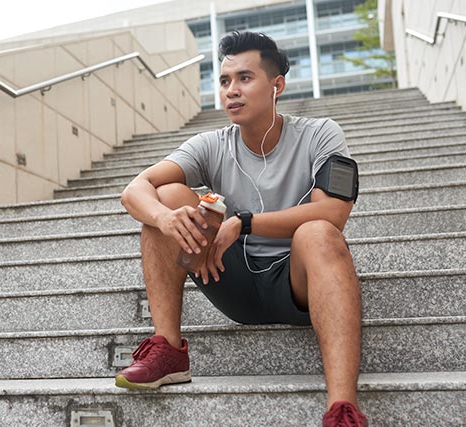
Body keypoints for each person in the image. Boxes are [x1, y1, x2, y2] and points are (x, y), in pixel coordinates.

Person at [116, 31, 367, 426]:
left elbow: (334, 211)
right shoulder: (211, 144)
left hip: (297, 284)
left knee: (318, 232)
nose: (232, 91)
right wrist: (166, 219)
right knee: (165, 199)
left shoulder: (321, 134)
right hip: (229, 277)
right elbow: (134, 190)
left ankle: (342, 408)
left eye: (245, 78)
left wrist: (245, 223)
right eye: (224, 81)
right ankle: (168, 349)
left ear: (277, 85)